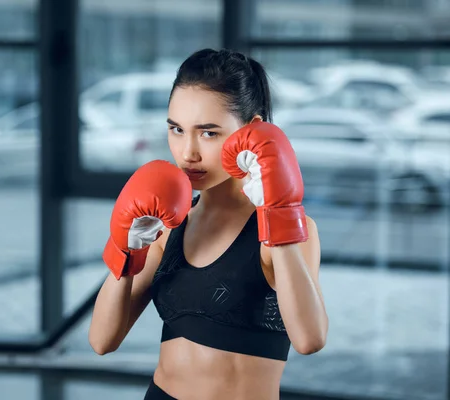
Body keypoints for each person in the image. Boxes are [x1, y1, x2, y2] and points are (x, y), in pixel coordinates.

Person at [88, 48, 328, 400]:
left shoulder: (288, 229)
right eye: (176, 129)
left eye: (209, 133)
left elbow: (310, 339)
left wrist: (278, 216)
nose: (188, 153)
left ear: (253, 131)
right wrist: (125, 248)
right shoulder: (166, 225)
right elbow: (101, 341)